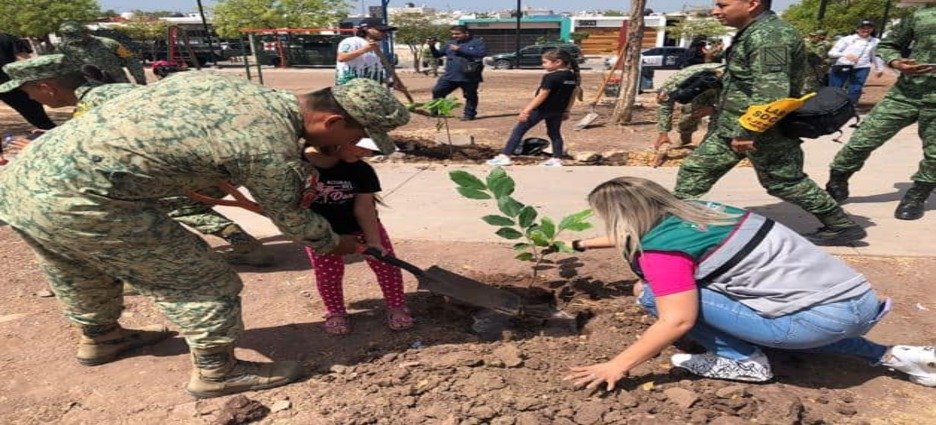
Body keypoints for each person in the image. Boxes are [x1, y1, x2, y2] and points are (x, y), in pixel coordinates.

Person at [0, 72, 410, 398]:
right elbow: (294, 220)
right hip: (87, 197)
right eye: (354, 138)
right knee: (204, 279)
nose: (352, 146)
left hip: (23, 180)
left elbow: (116, 101)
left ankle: (102, 338)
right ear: (332, 121)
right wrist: (336, 243)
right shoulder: (269, 146)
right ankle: (219, 372)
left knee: (77, 265)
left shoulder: (220, 85)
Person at [563, 176, 935, 390]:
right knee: (794, 308)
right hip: (858, 301)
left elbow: (677, 321)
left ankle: (743, 361)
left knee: (649, 296)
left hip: (816, 322)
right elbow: (639, 232)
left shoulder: (662, 253)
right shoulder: (705, 211)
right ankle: (895, 355)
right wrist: (581, 243)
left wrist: (618, 365)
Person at [0, 55, 273, 267]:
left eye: (28, 92)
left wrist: (38, 150)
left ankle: (221, 254)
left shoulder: (93, 107)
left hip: (190, 166)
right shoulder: (109, 93)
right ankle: (244, 246)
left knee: (159, 204)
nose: (30, 98)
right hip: (213, 156)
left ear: (46, 87)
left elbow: (94, 155)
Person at [672, 0, 865, 247]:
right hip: (735, 124)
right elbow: (749, 78)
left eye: (722, 4)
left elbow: (772, 90)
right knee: (695, 170)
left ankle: (841, 225)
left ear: (752, 4)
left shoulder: (770, 35)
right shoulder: (753, 32)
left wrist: (747, 131)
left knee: (784, 182)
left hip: (760, 129)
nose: (715, 11)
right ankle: (677, 220)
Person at [825, 3, 936, 220]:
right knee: (862, 140)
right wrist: (896, 61)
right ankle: (838, 177)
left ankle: (917, 195)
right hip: (905, 95)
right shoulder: (922, 15)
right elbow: (888, 44)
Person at [304, 139, 412, 335]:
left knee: (386, 265)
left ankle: (396, 306)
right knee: (328, 273)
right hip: (321, 233)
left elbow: (364, 207)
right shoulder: (300, 167)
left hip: (362, 228)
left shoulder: (362, 170)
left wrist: (374, 241)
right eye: (364, 146)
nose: (369, 153)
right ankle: (335, 311)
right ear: (339, 136)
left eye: (373, 150)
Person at [486, 49, 580, 167]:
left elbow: (542, 95)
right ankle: (557, 158)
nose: (542, 65)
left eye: (545, 62)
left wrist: (526, 110)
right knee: (554, 133)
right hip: (557, 110)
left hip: (541, 109)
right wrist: (567, 110)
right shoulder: (571, 76)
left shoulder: (550, 77)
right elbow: (572, 94)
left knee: (519, 130)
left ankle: (505, 156)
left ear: (558, 62)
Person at [653, 63, 724, 150]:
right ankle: (685, 140)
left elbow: (740, 104)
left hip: (727, 89)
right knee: (690, 111)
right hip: (700, 85)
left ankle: (713, 143)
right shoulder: (672, 85)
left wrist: (714, 108)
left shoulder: (732, 80)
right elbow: (664, 107)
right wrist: (663, 134)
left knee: (722, 117)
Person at [56, 21, 147, 85]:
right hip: (90, 88)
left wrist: (140, 81)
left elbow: (131, 60)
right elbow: (60, 68)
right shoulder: (63, 48)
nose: (77, 42)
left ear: (86, 32)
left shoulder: (109, 43)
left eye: (79, 38)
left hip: (118, 84)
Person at [428, 25, 487, 121]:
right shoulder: (449, 43)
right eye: (453, 34)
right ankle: (436, 111)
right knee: (438, 91)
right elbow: (437, 55)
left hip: (469, 76)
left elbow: (481, 53)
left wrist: (460, 49)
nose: (454, 36)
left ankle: (469, 114)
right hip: (450, 76)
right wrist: (432, 46)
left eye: (457, 34)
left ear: (466, 33)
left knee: (470, 96)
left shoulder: (477, 42)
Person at [0, 32, 56, 130]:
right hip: (14, 85)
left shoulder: (6, 38)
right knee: (40, 120)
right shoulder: (7, 38)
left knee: (40, 120)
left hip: (13, 86)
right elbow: (25, 62)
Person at [826, 20, 886, 105]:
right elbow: (831, 53)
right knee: (835, 88)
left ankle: (850, 107)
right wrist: (845, 55)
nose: (866, 30)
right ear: (857, 29)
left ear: (872, 29)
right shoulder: (847, 39)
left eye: (869, 28)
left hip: (862, 67)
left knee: (856, 89)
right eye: (863, 28)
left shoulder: (875, 41)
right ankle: (831, 106)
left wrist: (879, 68)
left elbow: (875, 55)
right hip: (843, 65)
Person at [335, 18, 400, 89]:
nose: (384, 33)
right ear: (366, 29)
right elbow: (341, 58)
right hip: (350, 90)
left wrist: (390, 82)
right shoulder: (351, 41)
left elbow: (373, 71)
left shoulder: (377, 47)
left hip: (371, 91)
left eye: (386, 31)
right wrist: (365, 49)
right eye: (381, 30)